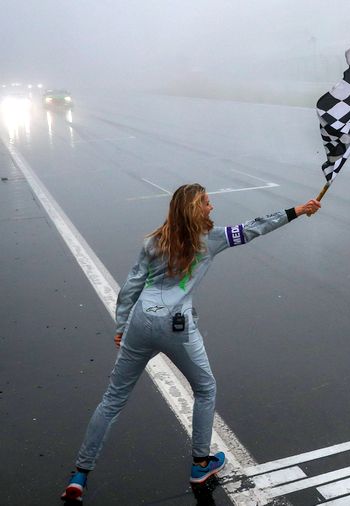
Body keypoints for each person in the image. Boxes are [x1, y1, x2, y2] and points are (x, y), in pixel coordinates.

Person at [61, 183, 321, 501]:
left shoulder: (153, 242)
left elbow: (130, 286)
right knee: (205, 389)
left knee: (113, 399)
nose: (212, 207)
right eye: (207, 203)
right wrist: (298, 210)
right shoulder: (211, 239)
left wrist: (121, 325)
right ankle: (200, 463)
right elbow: (254, 227)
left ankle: (80, 474)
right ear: (196, 209)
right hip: (177, 327)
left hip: (140, 324)